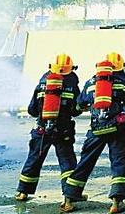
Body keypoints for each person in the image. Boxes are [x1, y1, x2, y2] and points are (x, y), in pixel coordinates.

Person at [61, 52, 125, 214]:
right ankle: (117, 202)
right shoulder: (122, 83)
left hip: (96, 129)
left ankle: (69, 199)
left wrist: (89, 105)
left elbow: (79, 105)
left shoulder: (91, 83)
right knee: (118, 162)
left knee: (85, 162)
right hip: (117, 129)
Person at [15, 53, 81, 201]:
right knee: (67, 162)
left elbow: (32, 110)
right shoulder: (72, 86)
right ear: (71, 69)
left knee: (34, 159)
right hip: (63, 131)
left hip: (42, 130)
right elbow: (76, 111)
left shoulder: (41, 84)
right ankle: (69, 196)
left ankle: (23, 192)